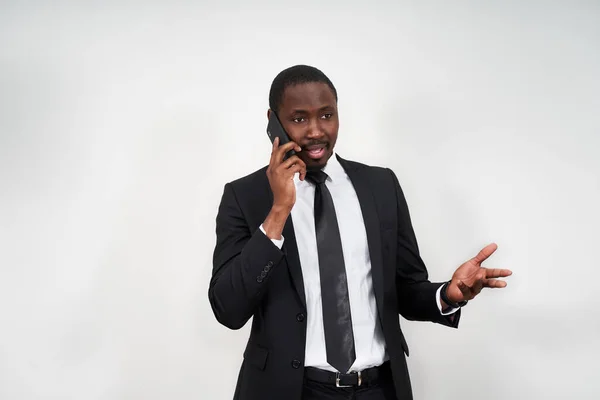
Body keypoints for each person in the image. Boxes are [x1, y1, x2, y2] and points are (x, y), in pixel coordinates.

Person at [209, 65, 512, 400]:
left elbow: (406, 288)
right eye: (298, 119)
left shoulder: (380, 186)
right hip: (290, 391)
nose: (315, 131)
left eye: (326, 115)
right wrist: (279, 211)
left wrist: (447, 295)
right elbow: (229, 309)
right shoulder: (245, 196)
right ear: (273, 121)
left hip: (378, 389)